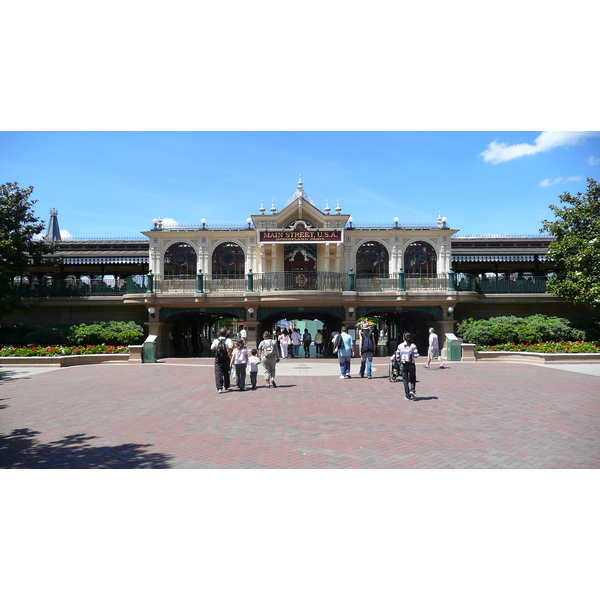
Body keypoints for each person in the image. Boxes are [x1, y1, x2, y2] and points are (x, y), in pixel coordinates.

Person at [393, 331, 420, 400]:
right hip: (411, 364)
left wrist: (399, 362)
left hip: (403, 364)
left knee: (405, 380)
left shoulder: (400, 346)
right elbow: (416, 355)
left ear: (403, 338)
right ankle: (412, 390)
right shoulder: (413, 346)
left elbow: (397, 356)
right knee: (412, 378)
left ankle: (407, 395)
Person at [210, 327, 234, 393]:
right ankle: (226, 385)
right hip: (226, 357)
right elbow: (231, 347)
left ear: (219, 333)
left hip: (218, 358)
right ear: (225, 334)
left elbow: (212, 348)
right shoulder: (228, 340)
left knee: (218, 372)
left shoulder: (216, 340)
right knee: (226, 371)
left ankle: (219, 387)